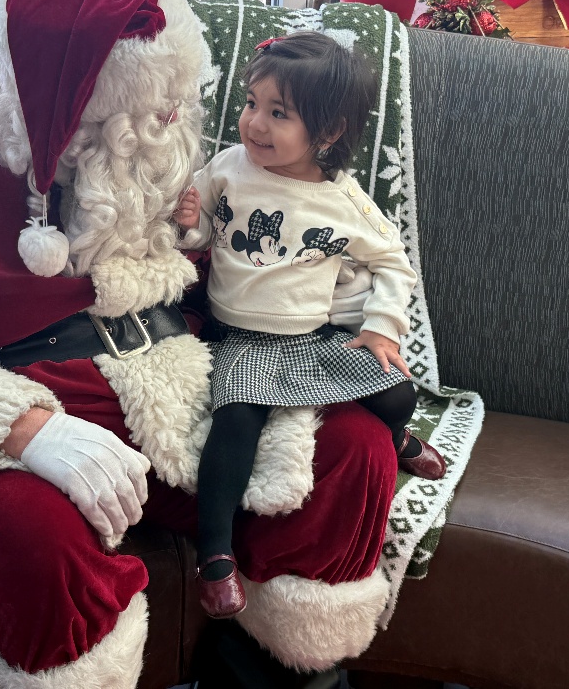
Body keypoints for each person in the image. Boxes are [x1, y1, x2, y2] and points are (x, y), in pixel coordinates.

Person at [0, 0, 400, 688]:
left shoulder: (152, 145)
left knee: (355, 449)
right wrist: (25, 428)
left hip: (178, 377)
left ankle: (275, 670)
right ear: (70, 110)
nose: (172, 122)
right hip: (32, 404)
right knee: (32, 536)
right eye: (151, 109)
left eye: (176, 101)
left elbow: (221, 277)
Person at [176, 32, 447, 620]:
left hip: (312, 337)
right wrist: (189, 223)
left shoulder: (342, 200)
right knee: (235, 425)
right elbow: (201, 235)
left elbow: (394, 262)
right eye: (251, 103)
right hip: (241, 338)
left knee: (397, 393)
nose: (255, 123)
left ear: (326, 133)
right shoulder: (227, 167)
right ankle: (216, 554)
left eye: (279, 114)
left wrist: (382, 327)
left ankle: (398, 438)